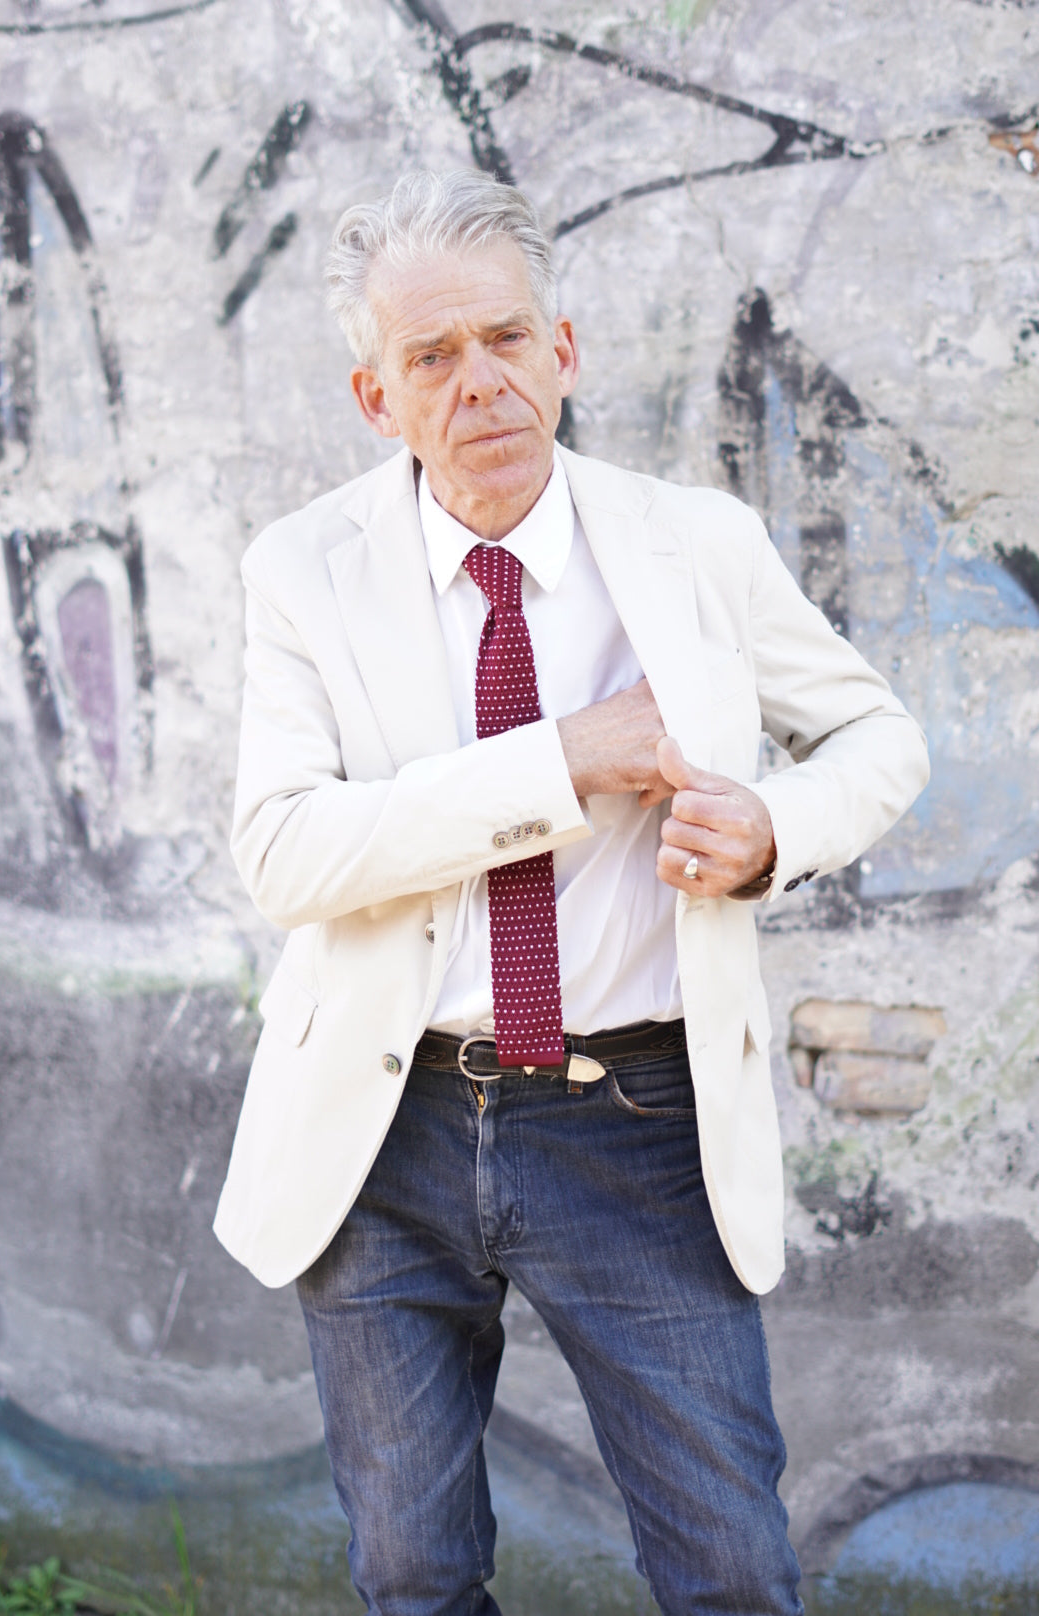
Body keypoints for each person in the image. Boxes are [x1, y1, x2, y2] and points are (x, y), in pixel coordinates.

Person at [214, 168, 929, 1614]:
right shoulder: (304, 571)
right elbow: (285, 849)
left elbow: (880, 734)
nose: (479, 382)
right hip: (385, 1121)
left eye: (506, 339)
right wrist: (566, 758)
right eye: (432, 357)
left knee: (729, 1567)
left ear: (564, 351)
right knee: (414, 1575)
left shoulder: (696, 547)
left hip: (636, 1119)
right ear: (377, 398)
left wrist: (771, 829)